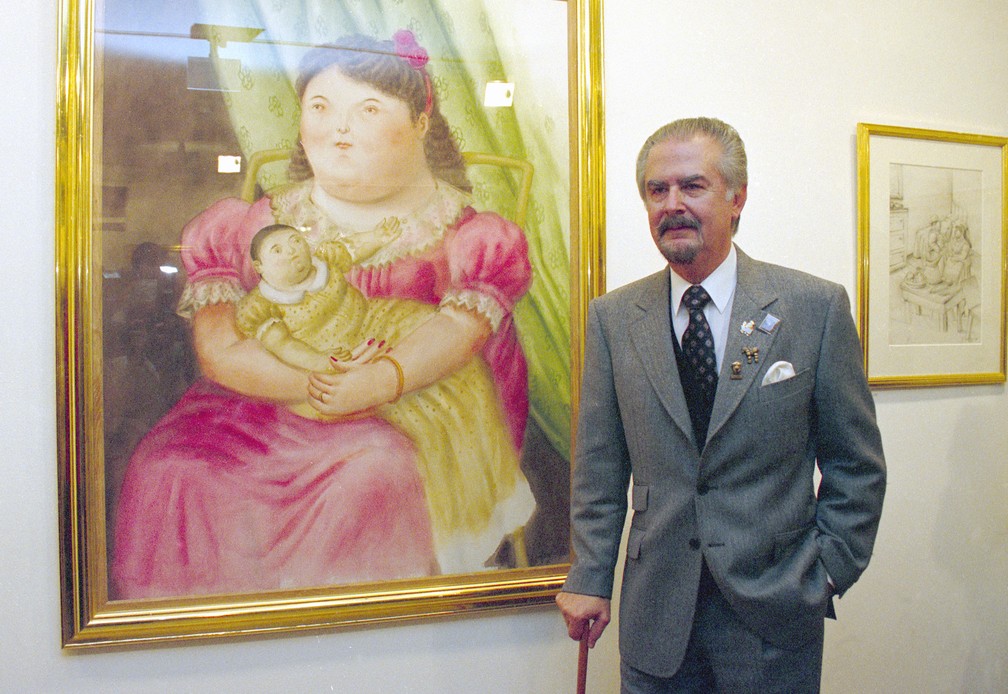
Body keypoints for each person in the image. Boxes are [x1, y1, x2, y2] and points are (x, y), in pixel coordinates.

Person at [111, 30, 535, 599]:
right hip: (258, 395)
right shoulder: (254, 224)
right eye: (320, 106)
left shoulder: (465, 233)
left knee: (368, 472)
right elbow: (219, 347)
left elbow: (459, 331)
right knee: (167, 466)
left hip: (419, 397)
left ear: (419, 123)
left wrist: (374, 381)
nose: (339, 128)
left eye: (367, 109)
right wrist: (310, 382)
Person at [556, 117, 886, 692]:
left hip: (774, 614)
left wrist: (827, 572)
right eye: (657, 191)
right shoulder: (613, 318)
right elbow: (599, 469)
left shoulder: (814, 309)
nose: (672, 204)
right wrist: (589, 575)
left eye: (692, 186)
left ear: (737, 198)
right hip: (656, 618)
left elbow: (856, 466)